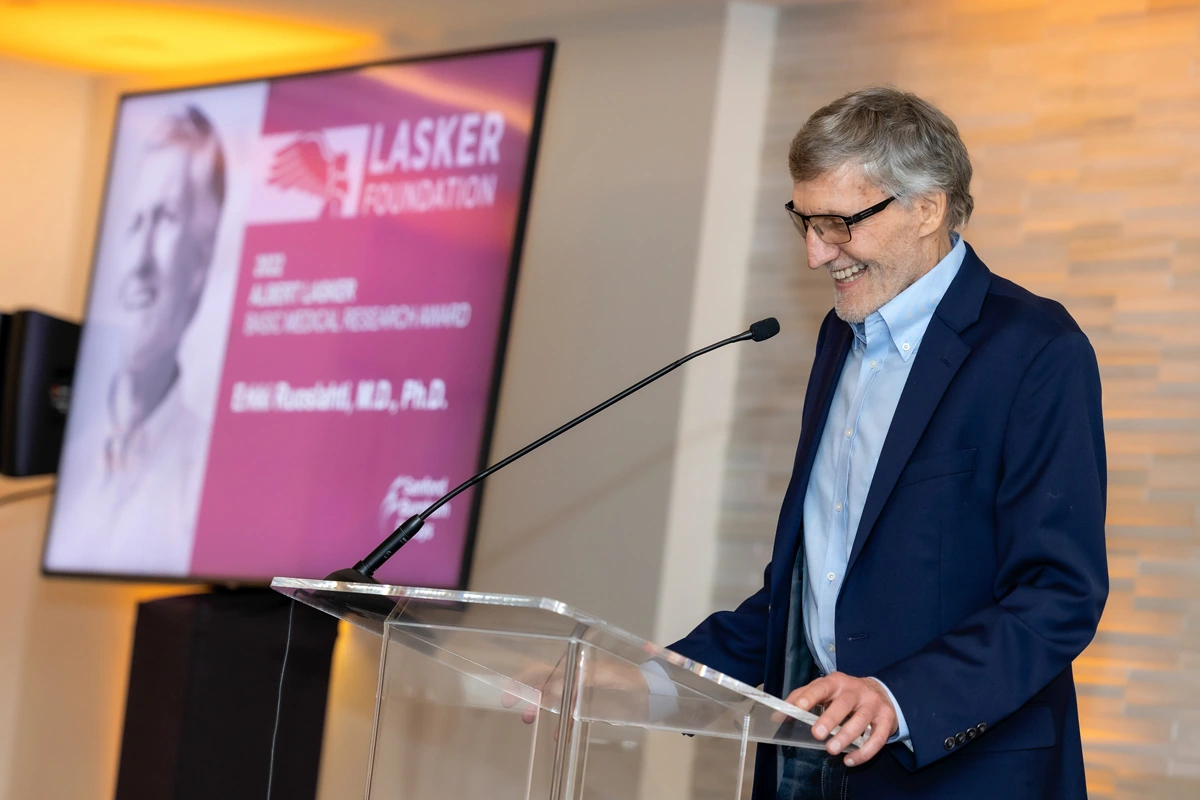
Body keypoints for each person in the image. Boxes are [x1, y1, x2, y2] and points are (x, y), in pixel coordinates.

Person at [666, 87, 1108, 799]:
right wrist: (658, 677)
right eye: (804, 223)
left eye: (839, 224)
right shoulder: (839, 338)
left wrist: (899, 698)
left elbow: (1057, 594)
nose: (816, 254)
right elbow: (816, 590)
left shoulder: (1033, 348)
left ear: (927, 207)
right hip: (817, 770)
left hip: (966, 776)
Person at [46, 106, 226, 576]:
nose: (139, 259)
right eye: (134, 223)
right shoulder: (71, 459)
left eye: (165, 219)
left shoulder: (212, 477)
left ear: (202, 261)